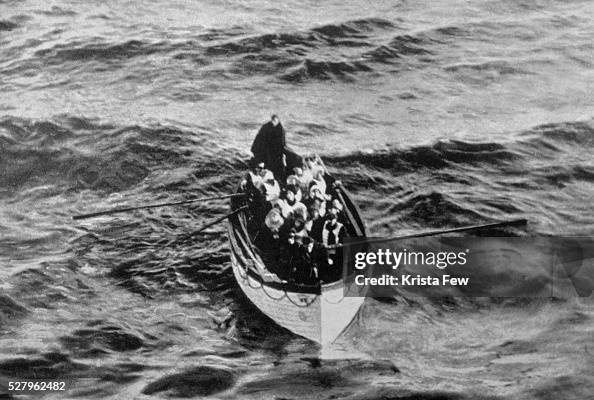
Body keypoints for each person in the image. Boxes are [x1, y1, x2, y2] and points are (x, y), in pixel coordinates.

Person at [251, 114, 288, 181]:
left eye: (275, 121)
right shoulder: (266, 126)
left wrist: (281, 153)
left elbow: (282, 144)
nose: (273, 122)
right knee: (265, 163)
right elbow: (259, 137)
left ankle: (275, 178)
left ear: (278, 121)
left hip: (275, 152)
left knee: (275, 166)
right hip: (267, 150)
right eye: (273, 121)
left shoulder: (281, 130)